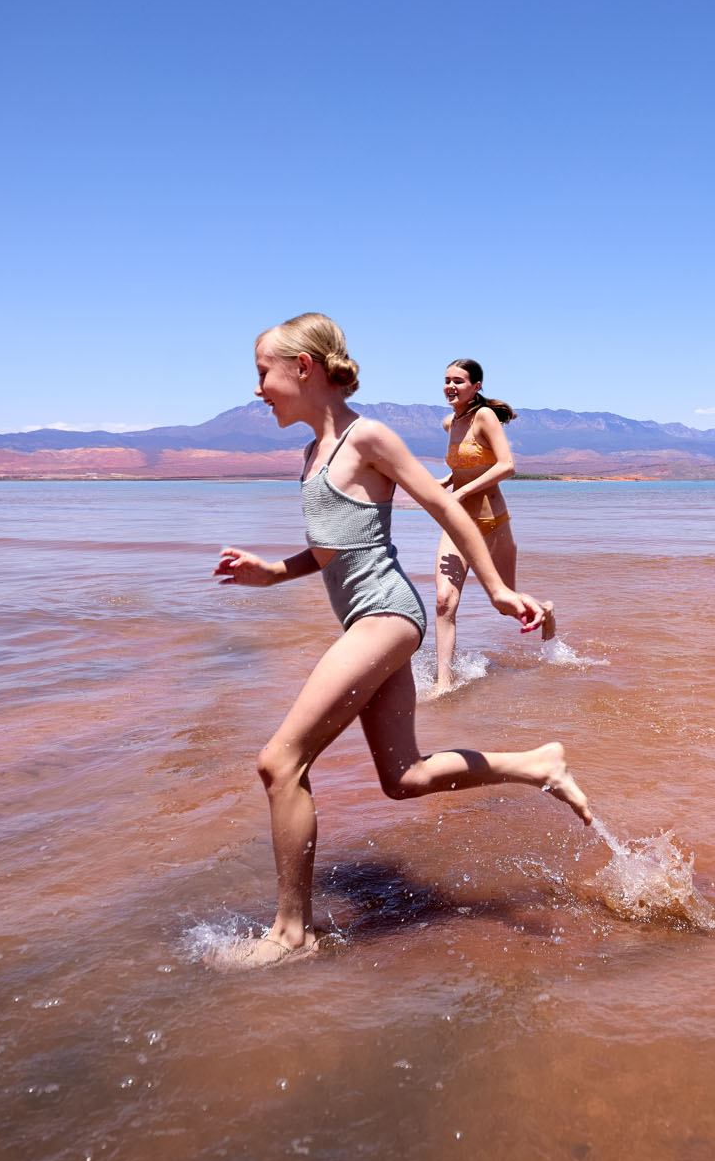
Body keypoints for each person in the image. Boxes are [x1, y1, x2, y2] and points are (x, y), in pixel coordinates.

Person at [214, 314, 593, 967]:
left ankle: (290, 935)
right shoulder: (313, 454)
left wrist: (499, 590)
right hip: (368, 619)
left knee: (280, 762)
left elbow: (445, 506)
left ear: (303, 367)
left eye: (262, 373)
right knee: (403, 776)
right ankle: (538, 764)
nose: (257, 389)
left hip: (385, 617)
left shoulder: (369, 436)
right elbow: (332, 547)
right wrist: (274, 571)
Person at [432, 359, 555, 692]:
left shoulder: (483, 418)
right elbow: (466, 464)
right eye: (446, 380)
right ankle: (445, 683)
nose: (450, 386)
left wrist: (463, 491)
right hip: (457, 521)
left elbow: (507, 466)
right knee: (444, 601)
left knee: (504, 604)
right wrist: (448, 481)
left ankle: (544, 610)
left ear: (476, 387)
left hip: (492, 521)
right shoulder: (450, 423)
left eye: (458, 380)